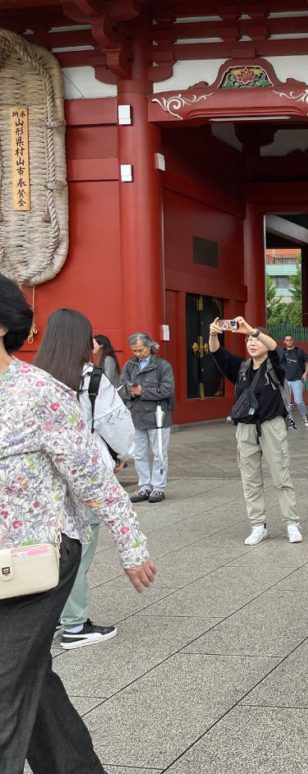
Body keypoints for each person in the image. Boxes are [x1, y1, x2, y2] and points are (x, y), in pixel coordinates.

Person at [0, 272, 157, 773]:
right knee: (29, 678)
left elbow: (95, 478)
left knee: (2, 683)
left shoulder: (38, 393)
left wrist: (131, 545)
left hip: (38, 559)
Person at [34, 309, 136, 650]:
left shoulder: (33, 377)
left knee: (49, 547)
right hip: (85, 475)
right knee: (79, 548)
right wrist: (121, 455)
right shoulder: (90, 378)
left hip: (45, 479)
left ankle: (44, 618)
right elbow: (115, 424)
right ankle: (74, 623)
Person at [209, 317, 302, 546]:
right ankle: (258, 525)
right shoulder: (241, 367)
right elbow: (217, 354)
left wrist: (250, 329)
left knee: (281, 476)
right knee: (250, 479)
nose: (251, 343)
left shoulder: (275, 365)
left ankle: (291, 523)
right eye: (249, 340)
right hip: (246, 427)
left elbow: (274, 348)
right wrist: (213, 334)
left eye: (255, 340)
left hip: (272, 425)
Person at [121, 331, 175, 504]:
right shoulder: (129, 366)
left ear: (150, 346)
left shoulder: (162, 366)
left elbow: (168, 390)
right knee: (139, 454)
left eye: (141, 350)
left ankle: (158, 487)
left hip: (158, 415)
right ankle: (145, 485)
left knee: (159, 453)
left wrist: (142, 391)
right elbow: (122, 387)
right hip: (136, 414)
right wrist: (129, 391)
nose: (138, 354)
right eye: (134, 351)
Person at [279, 334, 308, 427]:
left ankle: (304, 415)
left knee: (298, 401)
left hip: (297, 380)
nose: (289, 341)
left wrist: (305, 373)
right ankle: (290, 420)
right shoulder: (282, 352)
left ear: (293, 341)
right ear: (284, 342)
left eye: (290, 340)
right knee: (287, 403)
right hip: (285, 381)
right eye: (287, 340)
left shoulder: (299, 351)